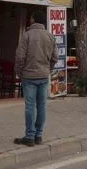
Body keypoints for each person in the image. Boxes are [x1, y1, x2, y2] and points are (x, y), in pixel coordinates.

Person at [14, 10, 57, 147]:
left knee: (30, 107)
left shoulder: (26, 36)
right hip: (44, 76)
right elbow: (55, 57)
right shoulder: (50, 36)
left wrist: (19, 72)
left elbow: (20, 57)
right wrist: (48, 70)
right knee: (42, 106)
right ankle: (39, 135)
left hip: (29, 77)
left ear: (33, 20)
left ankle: (30, 136)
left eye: (31, 17)